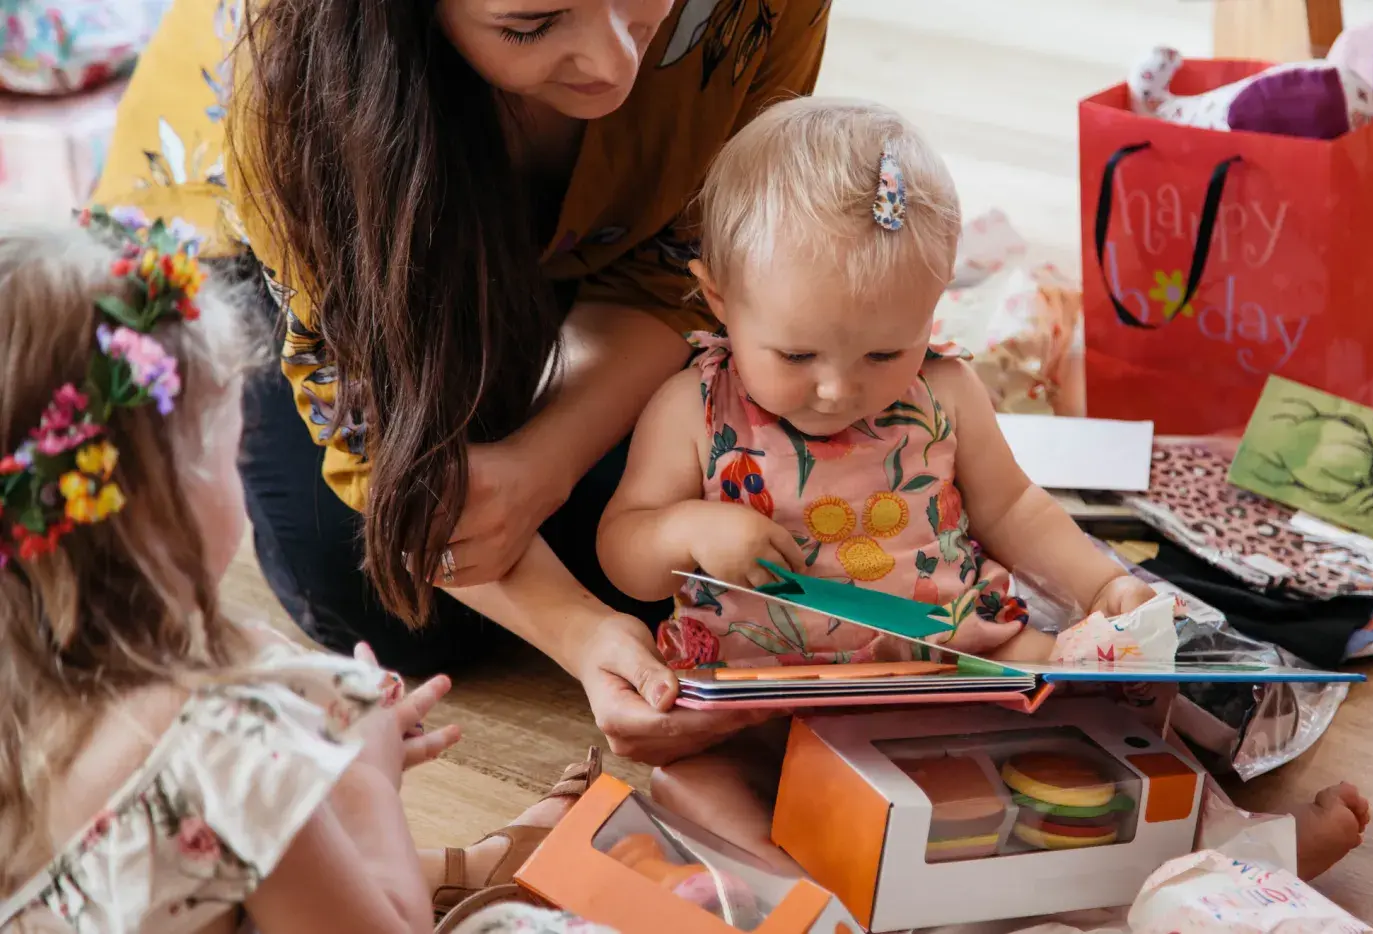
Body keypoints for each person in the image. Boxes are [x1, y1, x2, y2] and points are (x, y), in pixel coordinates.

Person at [592, 97, 1372, 880]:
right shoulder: (694, 408)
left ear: (934, 308)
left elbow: (1015, 510)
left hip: (958, 661)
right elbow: (624, 546)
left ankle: (1235, 847)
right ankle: (808, 894)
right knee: (691, 783)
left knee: (1098, 712)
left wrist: (1103, 583)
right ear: (720, 297)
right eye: (797, 355)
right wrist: (689, 529)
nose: (837, 389)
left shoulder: (944, 390)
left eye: (883, 352)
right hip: (767, 700)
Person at [88, 0, 833, 765]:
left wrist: (547, 465)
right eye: (530, 24)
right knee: (383, 598)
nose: (614, 64)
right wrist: (579, 630)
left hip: (593, 245)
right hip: (294, 250)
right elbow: (369, 438)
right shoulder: (290, 89)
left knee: (671, 524)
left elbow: (678, 261)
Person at [0, 215, 603, 933]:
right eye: (233, 451)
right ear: (167, 503)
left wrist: (304, 790)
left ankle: (467, 869)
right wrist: (364, 783)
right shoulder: (216, 741)